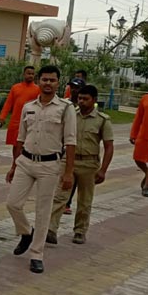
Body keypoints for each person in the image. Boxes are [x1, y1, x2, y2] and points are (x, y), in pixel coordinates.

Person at [5, 65, 76, 274]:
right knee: (12, 204)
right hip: (25, 162)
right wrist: (13, 165)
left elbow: (71, 142)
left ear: (58, 83)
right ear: (39, 81)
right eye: (44, 79)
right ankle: (26, 232)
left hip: (49, 164)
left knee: (43, 211)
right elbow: (20, 138)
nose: (48, 83)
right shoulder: (29, 107)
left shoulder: (65, 108)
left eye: (52, 80)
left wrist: (69, 172)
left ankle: (37, 254)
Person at [47, 85, 113, 245]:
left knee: (84, 200)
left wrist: (103, 170)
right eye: (80, 98)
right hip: (68, 161)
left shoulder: (102, 120)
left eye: (86, 99)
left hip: (89, 164)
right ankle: (51, 229)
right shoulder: (71, 116)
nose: (82, 102)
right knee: (60, 197)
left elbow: (109, 146)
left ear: (94, 100)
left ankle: (80, 231)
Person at [62, 76, 87, 215]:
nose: (74, 90)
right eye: (72, 87)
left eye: (77, 87)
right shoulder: (63, 103)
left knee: (72, 175)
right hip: (61, 146)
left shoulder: (83, 107)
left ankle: (67, 202)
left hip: (76, 147)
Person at [0, 66, 40, 145]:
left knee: (28, 145)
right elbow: (8, 103)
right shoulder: (15, 88)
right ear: (24, 74)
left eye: (32, 74)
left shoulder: (38, 89)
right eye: (28, 73)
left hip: (31, 122)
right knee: (16, 145)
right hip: (16, 121)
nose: (30, 75)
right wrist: (2, 117)